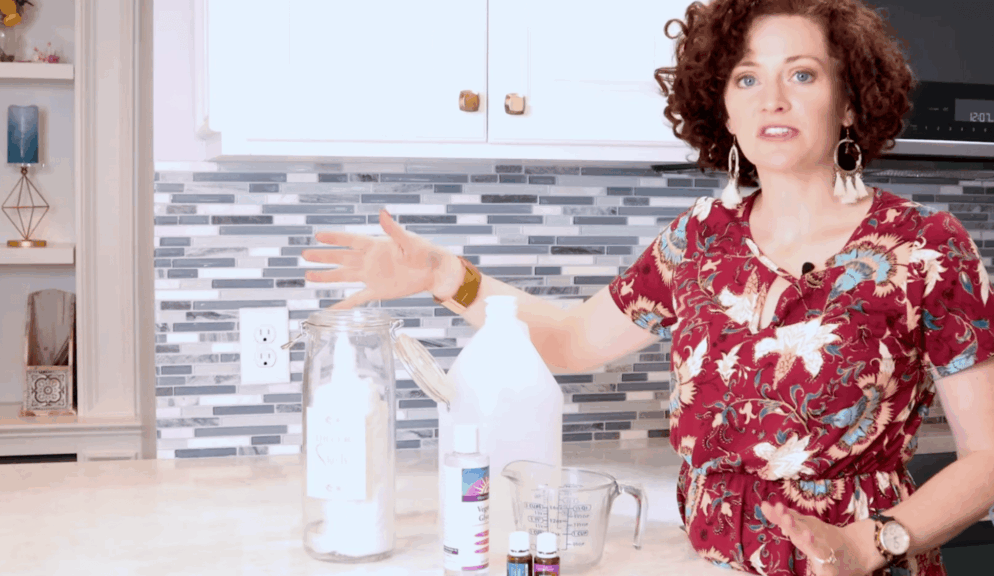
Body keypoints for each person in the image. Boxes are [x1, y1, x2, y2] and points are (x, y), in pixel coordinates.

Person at [300, 0, 994, 574]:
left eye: (803, 74)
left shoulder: (927, 248)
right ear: (724, 110)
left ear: (848, 102)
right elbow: (570, 339)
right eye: (746, 78)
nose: (773, 99)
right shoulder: (696, 241)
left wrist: (871, 545)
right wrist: (442, 276)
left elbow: (988, 458)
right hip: (707, 562)